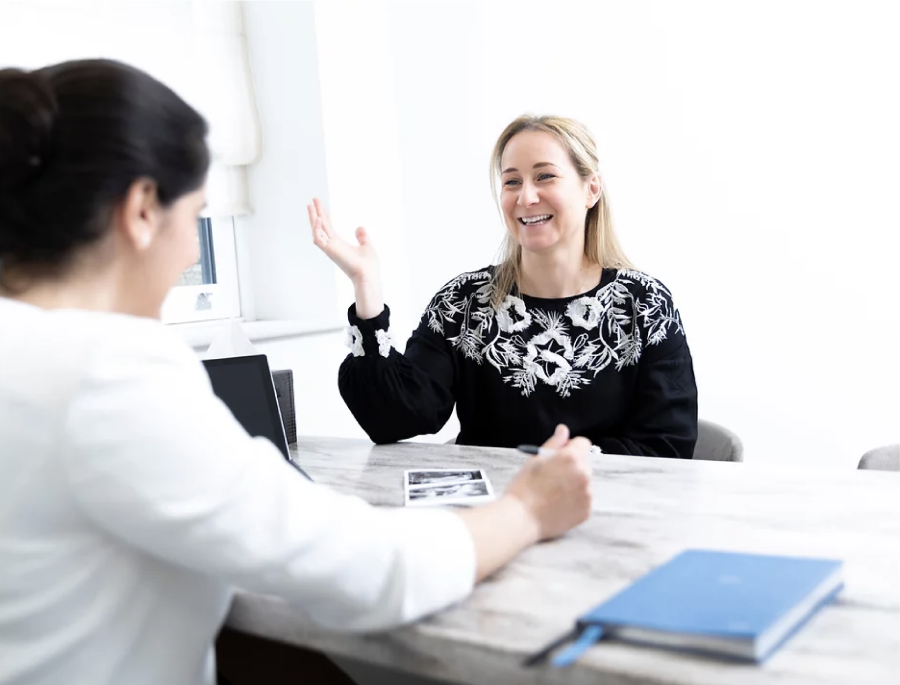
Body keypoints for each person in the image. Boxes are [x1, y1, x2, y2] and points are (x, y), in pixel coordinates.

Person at [0, 60, 593, 685]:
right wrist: (527, 509)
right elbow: (368, 572)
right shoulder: (106, 372)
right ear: (144, 209)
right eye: (196, 217)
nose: (191, 253)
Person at [309, 115, 698, 458]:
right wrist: (367, 288)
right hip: (493, 520)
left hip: (612, 517)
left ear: (590, 190)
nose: (526, 197)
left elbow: (666, 444)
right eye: (512, 181)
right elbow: (393, 419)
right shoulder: (464, 304)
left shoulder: (645, 305)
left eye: (545, 176)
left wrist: (570, 467)